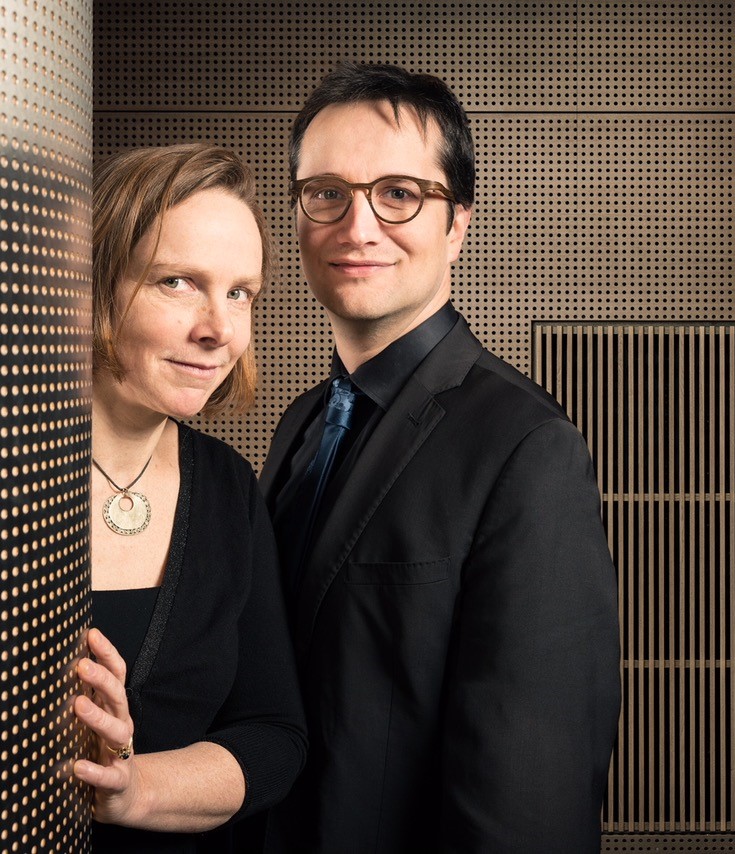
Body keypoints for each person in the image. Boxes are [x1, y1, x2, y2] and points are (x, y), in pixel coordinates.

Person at [260, 63, 620, 852]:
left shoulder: (527, 448)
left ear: (457, 224)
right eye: (326, 193)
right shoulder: (301, 425)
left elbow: (531, 804)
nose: (357, 227)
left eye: (398, 194)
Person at [75, 143, 307, 852]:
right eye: (177, 282)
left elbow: (273, 736)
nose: (219, 331)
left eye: (240, 293)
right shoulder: (18, 476)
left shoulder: (230, 488)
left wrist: (135, 788)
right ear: (95, 283)